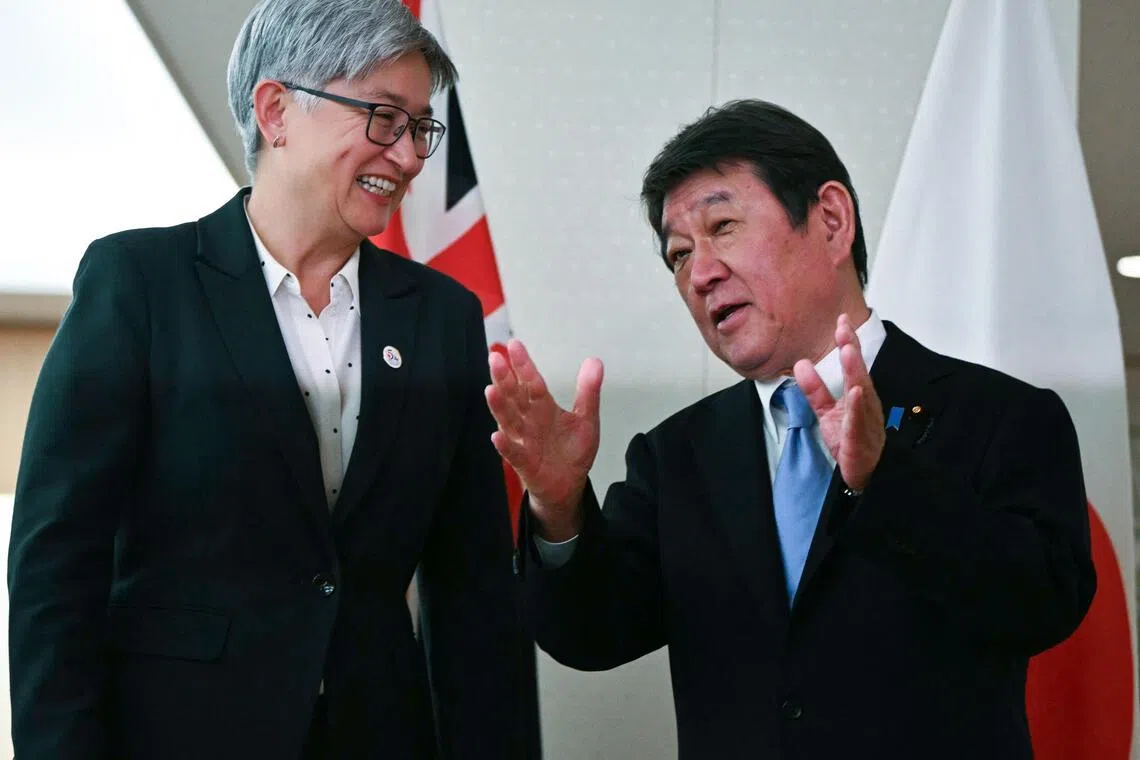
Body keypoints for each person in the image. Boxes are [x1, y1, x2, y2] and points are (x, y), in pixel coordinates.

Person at [487, 99, 1096, 759]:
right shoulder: (677, 455)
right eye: (678, 255)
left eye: (723, 226)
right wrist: (558, 505)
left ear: (831, 221)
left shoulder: (999, 415)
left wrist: (884, 481)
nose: (699, 273)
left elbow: (1043, 604)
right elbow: (591, 635)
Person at [7, 1, 528, 757]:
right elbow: (56, 565)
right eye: (384, 118)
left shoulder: (444, 318)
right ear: (277, 110)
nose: (411, 156)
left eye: (421, 128)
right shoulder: (140, 285)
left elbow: (473, 592)